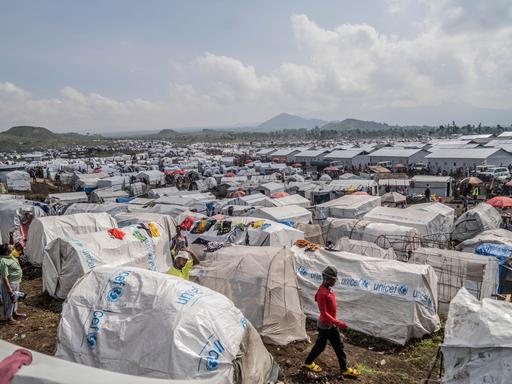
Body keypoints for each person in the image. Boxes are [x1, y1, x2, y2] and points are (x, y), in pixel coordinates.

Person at [304, 266, 359, 379]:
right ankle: (308, 362)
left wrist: (335, 323)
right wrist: (338, 323)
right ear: (325, 277)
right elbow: (323, 313)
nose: (334, 282)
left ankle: (344, 369)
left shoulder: (328, 289)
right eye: (332, 280)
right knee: (320, 347)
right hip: (325, 326)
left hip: (332, 325)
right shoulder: (322, 293)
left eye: (334, 280)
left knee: (339, 346)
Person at [0, 244, 27, 325]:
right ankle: (9, 318)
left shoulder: (10, 255)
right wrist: (8, 288)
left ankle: (14, 313)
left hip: (16, 282)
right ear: (7, 251)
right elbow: (4, 276)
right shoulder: (3, 261)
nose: (12, 246)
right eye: (10, 247)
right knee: (9, 301)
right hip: (10, 284)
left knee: (15, 299)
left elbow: (12, 244)